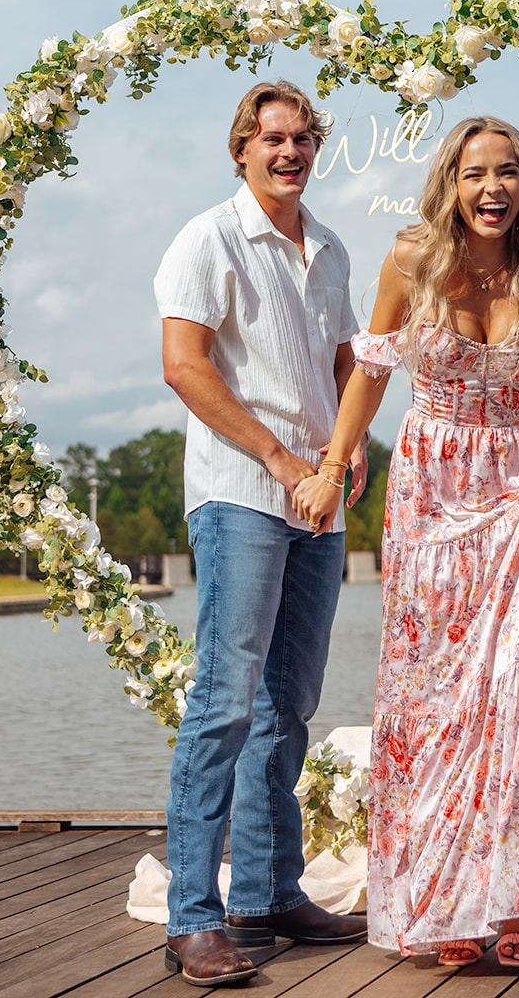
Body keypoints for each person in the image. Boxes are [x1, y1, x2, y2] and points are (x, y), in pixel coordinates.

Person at [294, 115, 519, 968]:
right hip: (429, 492)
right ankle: (447, 901)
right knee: (434, 702)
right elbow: (371, 369)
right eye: (475, 175)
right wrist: (332, 463)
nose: (492, 189)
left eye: (507, 173)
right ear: (451, 183)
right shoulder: (410, 260)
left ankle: (518, 903)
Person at [154, 80, 369, 988]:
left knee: (290, 705)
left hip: (320, 500)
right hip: (244, 492)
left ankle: (270, 895)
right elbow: (183, 367)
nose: (290, 152)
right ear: (240, 147)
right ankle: (194, 917)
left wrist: (349, 451)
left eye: (304, 138)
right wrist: (284, 462)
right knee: (224, 703)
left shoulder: (330, 249)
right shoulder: (207, 238)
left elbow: (348, 361)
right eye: (272, 138)